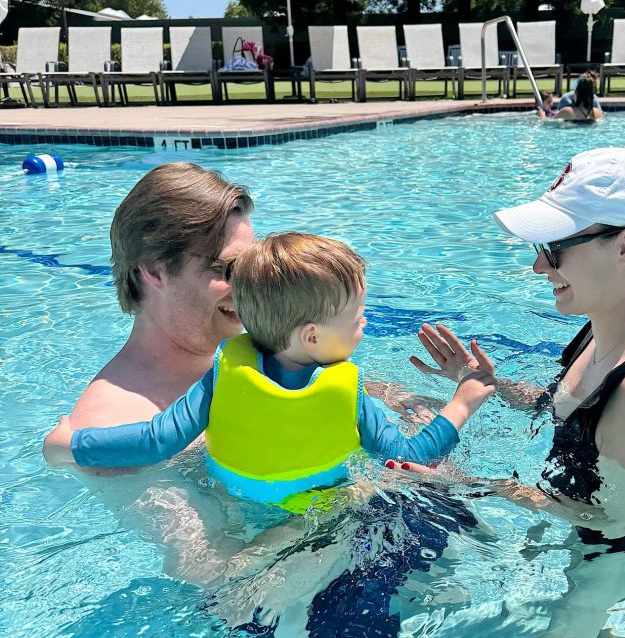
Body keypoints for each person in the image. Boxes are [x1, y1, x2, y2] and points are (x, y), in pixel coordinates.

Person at [406, 146, 625, 557]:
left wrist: (470, 482)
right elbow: (570, 411)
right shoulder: (602, 330)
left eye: (555, 246)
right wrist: (485, 384)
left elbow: (623, 522)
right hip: (591, 542)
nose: (539, 267)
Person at [44, 232, 496, 506]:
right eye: (357, 317)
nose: (364, 324)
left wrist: (71, 446)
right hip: (326, 505)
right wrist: (461, 403)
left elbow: (155, 440)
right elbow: (409, 457)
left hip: (237, 498)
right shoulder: (349, 391)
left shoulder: (225, 373)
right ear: (312, 336)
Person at [43, 161, 441, 461]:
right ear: (154, 271)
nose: (253, 284)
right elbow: (212, 566)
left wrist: (410, 396)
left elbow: (328, 390)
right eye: (225, 269)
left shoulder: (251, 349)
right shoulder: (116, 422)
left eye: (250, 265)